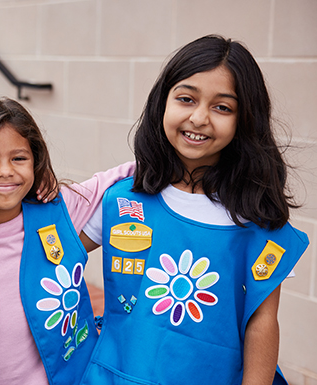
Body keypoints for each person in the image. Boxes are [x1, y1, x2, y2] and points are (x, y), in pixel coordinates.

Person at [79, 35, 309, 385]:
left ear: (245, 120)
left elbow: (263, 321)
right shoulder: (121, 200)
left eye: (222, 107)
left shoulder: (256, 215)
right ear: (162, 103)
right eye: (186, 99)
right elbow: (51, 261)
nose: (199, 118)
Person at [0, 97, 134, 385]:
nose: (6, 170)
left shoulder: (61, 208)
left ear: (36, 160)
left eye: (19, 159)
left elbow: (131, 171)